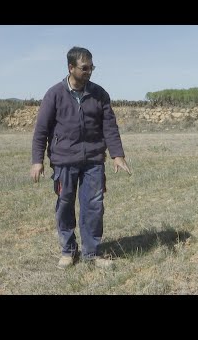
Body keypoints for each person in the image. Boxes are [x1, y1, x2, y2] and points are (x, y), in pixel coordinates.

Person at [30, 46, 131, 270]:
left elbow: (110, 126)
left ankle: (92, 252)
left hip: (93, 159)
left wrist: (117, 154)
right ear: (71, 68)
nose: (89, 72)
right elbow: (41, 130)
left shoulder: (100, 94)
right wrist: (37, 160)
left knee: (94, 206)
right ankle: (68, 250)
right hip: (64, 160)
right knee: (65, 204)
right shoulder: (54, 94)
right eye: (84, 68)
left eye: (92, 67)